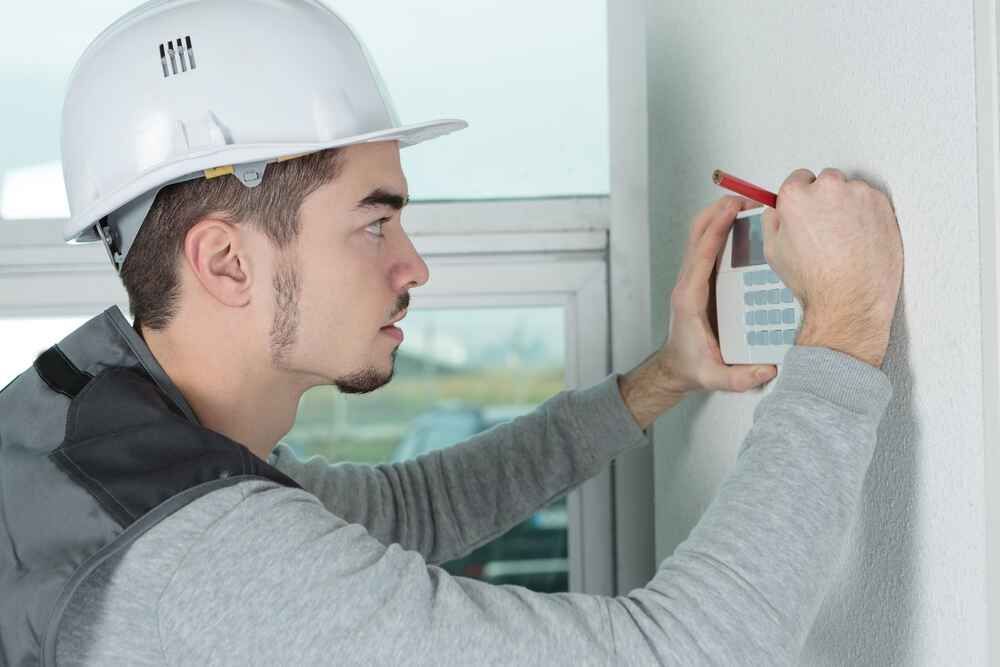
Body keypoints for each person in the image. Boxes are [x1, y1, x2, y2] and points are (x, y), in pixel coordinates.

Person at [0, 1, 903, 665]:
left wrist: (663, 377)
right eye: (373, 222)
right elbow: (689, 654)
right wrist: (845, 327)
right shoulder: (212, 562)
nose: (413, 265)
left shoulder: (93, 435)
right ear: (226, 261)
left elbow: (409, 514)